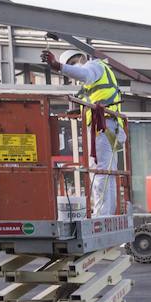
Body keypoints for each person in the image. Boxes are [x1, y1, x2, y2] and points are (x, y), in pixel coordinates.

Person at [39, 49, 125, 216]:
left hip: (103, 126)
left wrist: (58, 66)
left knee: (100, 173)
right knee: (107, 173)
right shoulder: (96, 79)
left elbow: (84, 74)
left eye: (72, 64)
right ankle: (107, 213)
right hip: (108, 127)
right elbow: (92, 96)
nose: (73, 69)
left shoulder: (94, 66)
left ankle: (102, 215)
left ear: (80, 58)